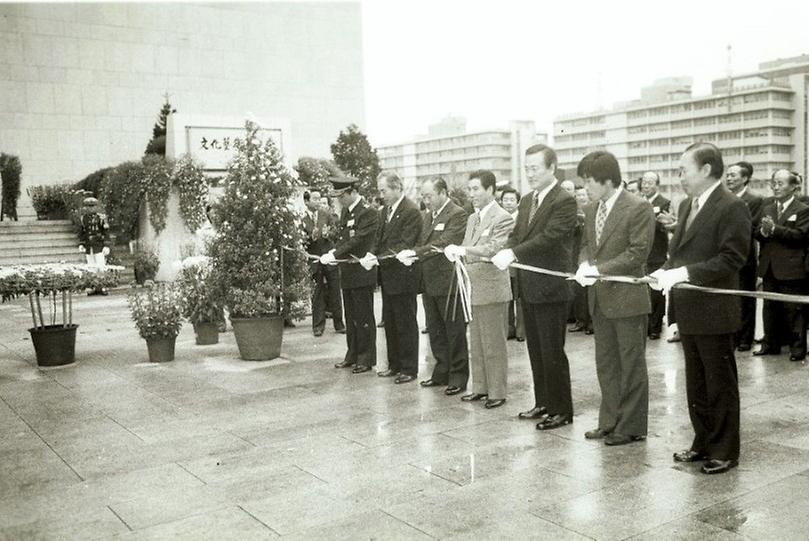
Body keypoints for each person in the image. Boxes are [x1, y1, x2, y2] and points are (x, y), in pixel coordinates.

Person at [651, 142, 750, 475]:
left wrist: (685, 273)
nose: (679, 177)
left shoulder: (731, 206)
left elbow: (732, 257)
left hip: (714, 308)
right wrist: (665, 270)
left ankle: (725, 449)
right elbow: (679, 252)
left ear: (706, 169)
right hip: (689, 307)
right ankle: (703, 441)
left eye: (683, 170)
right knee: (696, 382)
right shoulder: (686, 206)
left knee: (719, 382)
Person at [491, 144, 577, 430]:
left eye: (535, 168)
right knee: (536, 350)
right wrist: (503, 248)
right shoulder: (527, 200)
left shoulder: (563, 200)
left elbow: (551, 237)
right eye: (526, 168)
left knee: (552, 351)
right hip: (529, 285)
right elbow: (518, 234)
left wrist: (515, 253)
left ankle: (561, 410)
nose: (530, 174)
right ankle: (543, 403)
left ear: (552, 168)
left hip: (551, 285)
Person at [575, 151, 655, 446]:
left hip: (627, 299)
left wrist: (599, 269)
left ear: (608, 180)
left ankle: (631, 426)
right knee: (606, 363)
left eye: (589, 181)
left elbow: (637, 253)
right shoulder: (592, 209)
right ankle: (609, 420)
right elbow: (587, 245)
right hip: (600, 298)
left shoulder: (638, 207)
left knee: (631, 363)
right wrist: (585, 263)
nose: (586, 187)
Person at [445, 170, 514, 409]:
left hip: (493, 289)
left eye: (476, 189)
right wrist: (458, 251)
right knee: (476, 342)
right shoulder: (473, 219)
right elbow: (467, 245)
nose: (471, 194)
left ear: (491, 190)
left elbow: (493, 247)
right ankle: (480, 387)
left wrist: (464, 251)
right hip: (473, 289)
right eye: (470, 189)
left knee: (494, 343)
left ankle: (497, 391)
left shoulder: (502, 217)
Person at [399, 177, 469, 395]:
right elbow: (423, 242)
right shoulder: (429, 216)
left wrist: (416, 253)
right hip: (430, 280)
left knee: (454, 330)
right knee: (436, 330)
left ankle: (458, 375)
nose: (426, 200)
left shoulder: (457, 214)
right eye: (423, 196)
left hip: (449, 283)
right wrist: (413, 254)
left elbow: (444, 242)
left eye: (429, 196)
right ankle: (442, 371)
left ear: (443, 193)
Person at [320, 176, 378, 374]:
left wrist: (335, 254)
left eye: (342, 196)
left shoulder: (368, 212)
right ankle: (352, 354)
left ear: (353, 192)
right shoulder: (346, 211)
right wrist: (334, 252)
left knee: (363, 317)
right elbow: (344, 238)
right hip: (348, 272)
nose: (339, 200)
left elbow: (359, 240)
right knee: (351, 316)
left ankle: (366, 357)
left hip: (362, 271)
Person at [369, 172, 423, 384]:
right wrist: (371, 254)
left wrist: (379, 257)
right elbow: (378, 239)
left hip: (403, 276)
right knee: (390, 322)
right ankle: (394, 364)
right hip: (388, 276)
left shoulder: (411, 211)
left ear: (397, 187)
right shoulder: (384, 212)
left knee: (405, 323)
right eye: (380, 191)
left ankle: (409, 368)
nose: (382, 195)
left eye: (384, 190)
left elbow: (405, 243)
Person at [753, 170, 809, 362]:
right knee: (769, 308)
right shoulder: (767, 208)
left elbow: (801, 236)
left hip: (792, 268)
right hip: (769, 267)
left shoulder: (802, 209)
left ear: (793, 186)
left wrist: (775, 229)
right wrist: (763, 231)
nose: (775, 187)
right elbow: (756, 233)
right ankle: (770, 344)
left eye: (780, 183)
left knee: (794, 311)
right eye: (773, 183)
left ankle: (797, 348)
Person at [725, 161, 763, 352]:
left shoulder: (754, 200)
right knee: (729, 298)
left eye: (733, 175)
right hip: (724, 256)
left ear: (745, 178)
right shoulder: (723, 198)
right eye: (728, 175)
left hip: (744, 257)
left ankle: (745, 338)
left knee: (745, 299)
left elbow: (751, 227)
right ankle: (731, 336)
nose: (729, 178)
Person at [303, 189, 345, 337]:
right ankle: (318, 326)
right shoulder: (301, 218)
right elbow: (300, 241)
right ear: (306, 201)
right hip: (314, 259)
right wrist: (310, 238)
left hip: (329, 256)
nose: (318, 202)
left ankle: (339, 324)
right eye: (314, 199)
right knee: (317, 292)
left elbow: (336, 231)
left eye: (319, 198)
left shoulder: (326, 214)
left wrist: (329, 234)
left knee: (335, 290)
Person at [640, 171, 671, 340]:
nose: (646, 185)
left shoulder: (664, 202)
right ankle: (646, 325)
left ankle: (655, 326)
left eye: (650, 182)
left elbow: (664, 226)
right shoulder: (638, 202)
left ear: (657, 184)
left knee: (656, 291)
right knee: (643, 290)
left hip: (657, 251)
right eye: (644, 182)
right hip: (642, 252)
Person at [500, 187, 525, 341]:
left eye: (512, 200)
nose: (508, 203)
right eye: (505, 200)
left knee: (520, 298)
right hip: (503, 264)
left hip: (518, 262)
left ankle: (521, 331)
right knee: (507, 298)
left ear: (517, 202)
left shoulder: (521, 219)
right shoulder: (499, 218)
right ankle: (509, 328)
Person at [569, 186, 593, 334]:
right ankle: (580, 320)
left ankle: (591, 322)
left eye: (584, 194)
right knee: (578, 290)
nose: (581, 197)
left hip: (590, 254)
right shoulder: (571, 212)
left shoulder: (592, 210)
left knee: (590, 289)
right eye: (578, 195)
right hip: (575, 253)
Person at [78, 197, 110, 295]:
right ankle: (93, 287)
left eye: (93, 206)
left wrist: (106, 245)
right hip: (89, 246)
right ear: (85, 208)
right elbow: (82, 232)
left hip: (99, 245)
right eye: (88, 206)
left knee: (101, 266)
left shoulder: (101, 218)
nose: (91, 208)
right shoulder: (83, 219)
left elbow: (106, 232)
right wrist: (81, 244)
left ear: (96, 207)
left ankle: (102, 286)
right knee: (91, 267)